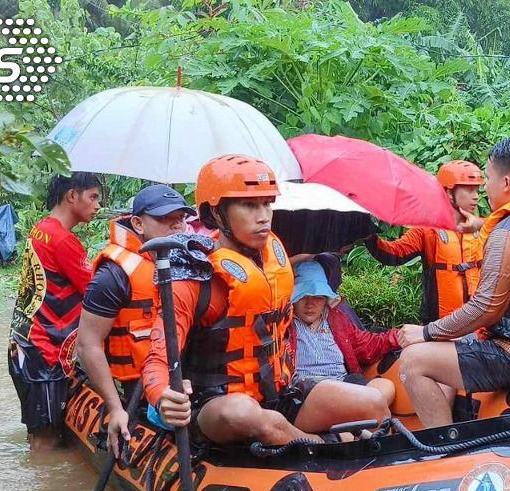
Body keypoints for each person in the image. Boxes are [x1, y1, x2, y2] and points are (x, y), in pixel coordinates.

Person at [143, 155, 389, 446]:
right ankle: (320, 445)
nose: (263, 216)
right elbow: (158, 359)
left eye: (267, 203)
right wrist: (162, 395)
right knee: (246, 413)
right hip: (216, 407)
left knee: (371, 401)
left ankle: (348, 454)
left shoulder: (274, 257)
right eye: (249, 205)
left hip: (278, 395)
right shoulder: (196, 277)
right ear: (216, 213)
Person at [394, 137, 510, 428]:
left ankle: (442, 448)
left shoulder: (508, 231)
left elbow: (486, 307)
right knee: (450, 340)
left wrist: (427, 332)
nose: (484, 190)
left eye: (488, 179)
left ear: (506, 183)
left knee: (413, 361)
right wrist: (480, 225)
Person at [76, 185, 193, 455]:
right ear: (138, 223)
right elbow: (87, 344)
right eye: (166, 219)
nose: (177, 226)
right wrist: (115, 408)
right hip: (134, 389)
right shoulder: (113, 274)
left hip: (175, 378)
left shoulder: (190, 264)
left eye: (181, 218)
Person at [9, 171, 103, 451]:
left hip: (24, 343)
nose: (97, 205)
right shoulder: (63, 241)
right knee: (46, 438)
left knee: (37, 430)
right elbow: (96, 293)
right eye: (93, 197)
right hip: (45, 352)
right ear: (72, 196)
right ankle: (41, 490)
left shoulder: (41, 229)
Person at [365, 160, 486, 324]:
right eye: (469, 190)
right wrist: (368, 234)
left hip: (478, 325)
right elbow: (393, 254)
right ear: (449, 193)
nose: (476, 196)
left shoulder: (484, 228)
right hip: (440, 326)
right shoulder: (428, 231)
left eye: (477, 190)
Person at [290, 260, 399, 406]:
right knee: (329, 394)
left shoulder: (337, 319)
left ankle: (351, 416)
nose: (310, 304)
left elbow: (367, 345)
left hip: (344, 383)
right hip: (308, 389)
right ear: (293, 299)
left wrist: (400, 336)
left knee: (385, 387)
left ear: (325, 299)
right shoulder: (283, 325)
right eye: (302, 296)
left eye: (317, 296)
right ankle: (355, 416)